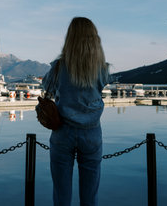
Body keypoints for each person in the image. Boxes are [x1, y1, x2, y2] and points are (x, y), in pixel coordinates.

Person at [42, 17, 109, 206]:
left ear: (70, 38)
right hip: (92, 132)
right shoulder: (102, 69)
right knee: (90, 197)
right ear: (94, 39)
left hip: (63, 131)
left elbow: (47, 86)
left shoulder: (58, 67)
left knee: (61, 195)